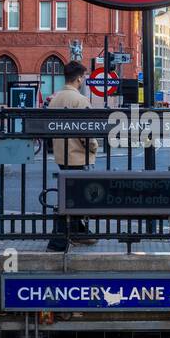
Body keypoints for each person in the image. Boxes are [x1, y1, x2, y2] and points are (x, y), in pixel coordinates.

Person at [47, 61, 97, 253]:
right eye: (83, 77)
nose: (83, 80)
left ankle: (78, 232)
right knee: (73, 198)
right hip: (79, 156)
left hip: (61, 155)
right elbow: (87, 133)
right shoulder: (81, 101)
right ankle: (58, 241)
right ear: (78, 78)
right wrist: (93, 147)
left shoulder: (55, 99)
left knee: (72, 195)